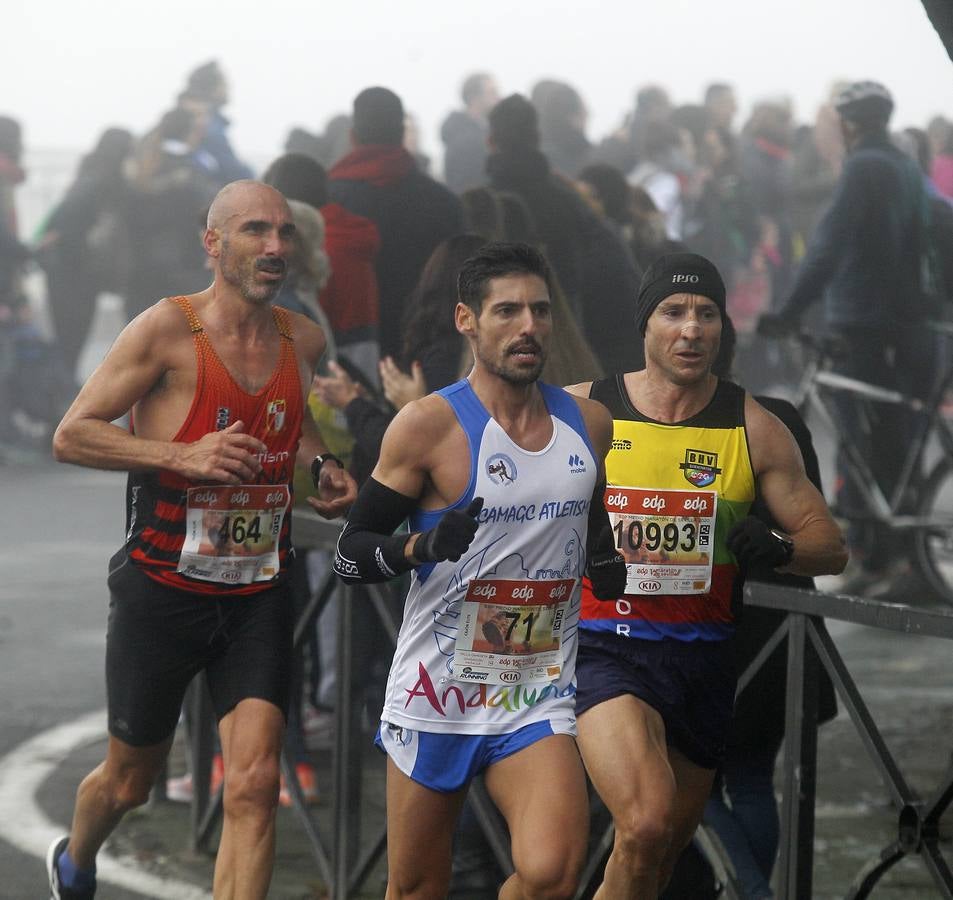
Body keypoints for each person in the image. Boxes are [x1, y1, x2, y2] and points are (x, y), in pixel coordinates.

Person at [47, 179, 357, 900]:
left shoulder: (302, 340)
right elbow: (72, 434)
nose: (274, 247)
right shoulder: (166, 330)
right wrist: (180, 456)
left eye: (283, 233)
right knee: (130, 782)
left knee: (253, 783)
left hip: (257, 594)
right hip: (162, 592)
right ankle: (77, 858)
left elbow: (295, 427)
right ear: (212, 243)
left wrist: (323, 468)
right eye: (255, 231)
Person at [333, 241, 626, 898]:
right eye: (508, 311)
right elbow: (351, 554)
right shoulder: (426, 427)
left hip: (534, 694)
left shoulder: (589, 424)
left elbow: (591, 510)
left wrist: (607, 559)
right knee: (416, 888)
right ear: (466, 320)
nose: (529, 326)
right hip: (436, 697)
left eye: (540, 311)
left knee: (551, 874)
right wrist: (420, 549)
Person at [564, 251, 847, 898]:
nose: (690, 329)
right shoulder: (584, 408)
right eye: (673, 312)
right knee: (644, 823)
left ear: (723, 326)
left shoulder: (753, 426)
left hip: (705, 662)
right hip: (605, 650)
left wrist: (776, 546)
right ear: (645, 323)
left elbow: (829, 547)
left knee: (658, 853)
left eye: (706, 314)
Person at [759, 81, 933, 587]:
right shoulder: (904, 164)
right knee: (893, 440)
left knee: (860, 437)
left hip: (862, 321)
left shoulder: (862, 168)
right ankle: (896, 555)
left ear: (849, 124)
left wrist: (789, 311)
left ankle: (871, 553)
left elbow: (828, 245)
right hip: (907, 322)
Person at [329, 86, 463, 359]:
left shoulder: (326, 200)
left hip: (348, 350)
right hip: (427, 348)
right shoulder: (444, 203)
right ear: (402, 133)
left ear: (352, 137)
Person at [441, 72, 500, 194]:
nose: (498, 97)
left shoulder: (487, 131)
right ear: (474, 98)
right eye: (492, 92)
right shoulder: (462, 139)